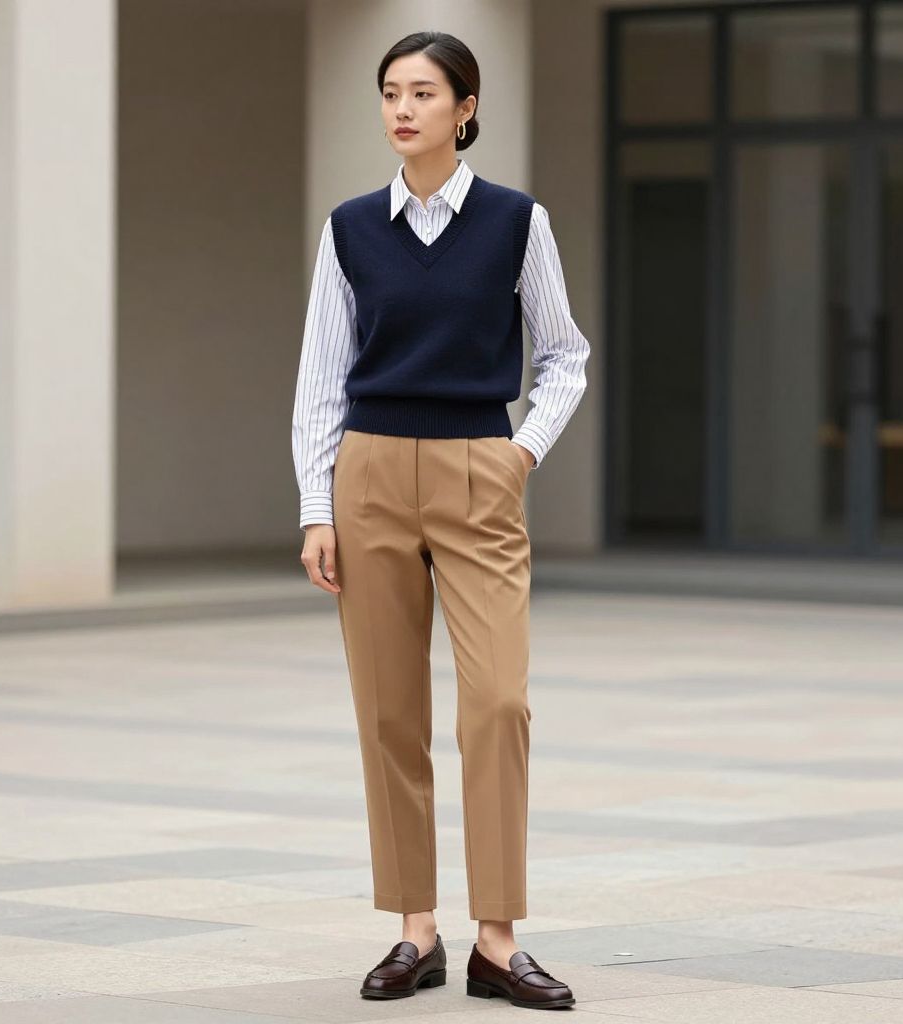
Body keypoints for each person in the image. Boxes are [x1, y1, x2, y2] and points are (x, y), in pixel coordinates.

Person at [292, 30, 590, 1010]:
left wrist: (519, 452)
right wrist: (317, 506)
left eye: (423, 92)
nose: (402, 108)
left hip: (477, 471)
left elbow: (565, 355)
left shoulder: (515, 221)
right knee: (389, 711)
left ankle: (497, 940)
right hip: (369, 474)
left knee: (497, 701)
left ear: (466, 109)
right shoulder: (349, 228)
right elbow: (321, 377)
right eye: (390, 92)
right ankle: (415, 930)